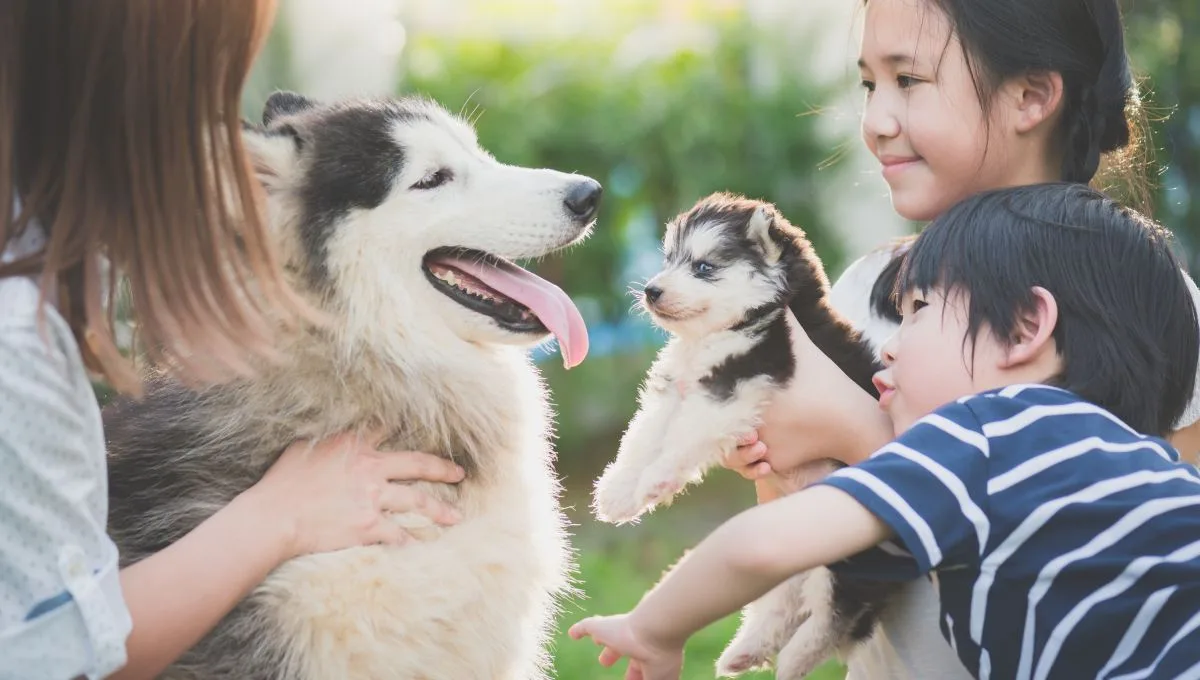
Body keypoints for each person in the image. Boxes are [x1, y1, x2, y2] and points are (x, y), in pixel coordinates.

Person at [721, 0, 1200, 677]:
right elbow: (806, 557)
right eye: (868, 84)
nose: (875, 121)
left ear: (1030, 95)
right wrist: (778, 461)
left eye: (908, 81)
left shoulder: (1160, 313)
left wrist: (858, 431)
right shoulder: (865, 294)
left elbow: (1148, 570)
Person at [571, 183, 1200, 680]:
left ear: (1024, 328)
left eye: (917, 311)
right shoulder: (1143, 458)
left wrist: (654, 628)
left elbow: (762, 546)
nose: (889, 346)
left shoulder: (987, 431)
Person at [0, 3, 463, 679]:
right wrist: (277, 514)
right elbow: (51, 659)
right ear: (139, 87)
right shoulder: (18, 343)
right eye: (214, 80)